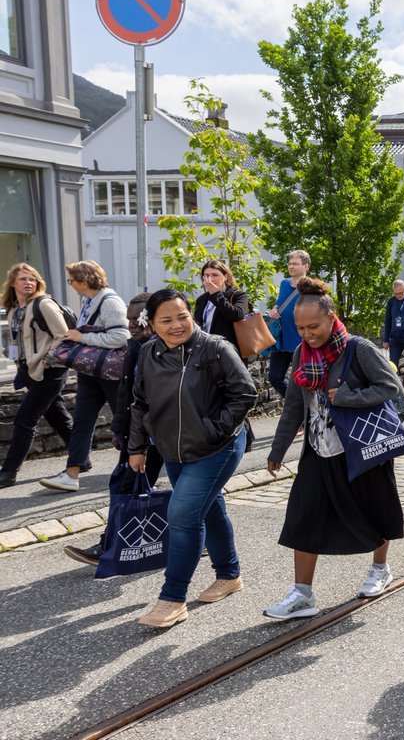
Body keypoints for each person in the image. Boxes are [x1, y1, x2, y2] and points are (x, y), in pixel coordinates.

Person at [263, 277, 404, 620]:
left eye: (313, 325)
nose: (307, 333)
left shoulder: (359, 348)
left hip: (361, 446)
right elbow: (294, 406)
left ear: (331, 317)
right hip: (319, 448)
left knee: (377, 508)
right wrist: (277, 451)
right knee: (303, 515)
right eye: (300, 327)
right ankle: (302, 594)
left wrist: (348, 397)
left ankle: (379, 569)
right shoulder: (301, 353)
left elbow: (391, 386)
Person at [127, 289, 256, 627]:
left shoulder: (215, 348)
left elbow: (245, 394)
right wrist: (137, 447)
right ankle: (229, 576)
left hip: (218, 446)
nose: (176, 325)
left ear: (192, 315)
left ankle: (172, 598)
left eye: (182, 317)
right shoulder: (147, 353)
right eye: (166, 320)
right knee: (209, 508)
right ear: (151, 324)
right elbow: (140, 402)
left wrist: (214, 429)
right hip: (173, 449)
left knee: (183, 514)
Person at [63, 293, 166, 564]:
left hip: (164, 437)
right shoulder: (135, 346)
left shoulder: (163, 349)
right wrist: (120, 430)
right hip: (140, 436)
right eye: (129, 318)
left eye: (138, 317)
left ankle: (207, 542)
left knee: (196, 498)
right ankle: (108, 545)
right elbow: (126, 395)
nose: (131, 323)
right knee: (126, 488)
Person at [40, 261, 130, 492]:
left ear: (84, 281)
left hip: (110, 372)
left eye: (71, 280)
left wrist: (82, 338)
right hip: (90, 372)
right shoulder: (88, 300)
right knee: (82, 420)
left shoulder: (110, 302)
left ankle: (139, 465)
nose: (69, 284)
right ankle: (72, 474)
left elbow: (121, 336)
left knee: (124, 420)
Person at [1, 264, 72, 487]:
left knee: (25, 420)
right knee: (57, 416)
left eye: (32, 279)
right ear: (13, 283)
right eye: (23, 279)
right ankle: (82, 457)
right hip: (30, 371)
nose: (28, 283)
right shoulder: (13, 309)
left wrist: (46, 360)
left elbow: (64, 337)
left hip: (50, 371)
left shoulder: (44, 304)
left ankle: (9, 471)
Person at [267, 250, 311, 398]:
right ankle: (295, 403)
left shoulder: (310, 287)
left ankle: (302, 410)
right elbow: (279, 304)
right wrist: (274, 309)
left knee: (302, 381)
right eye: (290, 263)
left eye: (295, 264)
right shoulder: (284, 283)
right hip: (281, 340)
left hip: (301, 342)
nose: (291, 266)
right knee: (275, 378)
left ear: (306, 266)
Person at [193, 259, 251, 354]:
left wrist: (216, 294)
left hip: (230, 351)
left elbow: (237, 315)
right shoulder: (202, 299)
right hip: (206, 350)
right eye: (206, 275)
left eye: (215, 275)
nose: (210, 279)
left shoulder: (238, 295)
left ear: (225, 277)